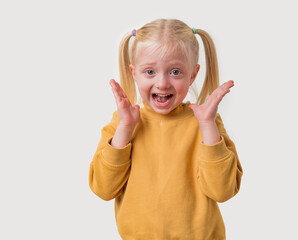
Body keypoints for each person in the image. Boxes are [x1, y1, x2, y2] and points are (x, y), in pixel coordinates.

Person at [89, 18, 243, 240]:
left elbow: (223, 191)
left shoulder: (206, 123)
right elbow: (103, 189)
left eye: (175, 72)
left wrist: (208, 125)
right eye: (150, 71)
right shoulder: (123, 123)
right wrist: (125, 128)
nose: (162, 83)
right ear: (134, 73)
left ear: (193, 74)